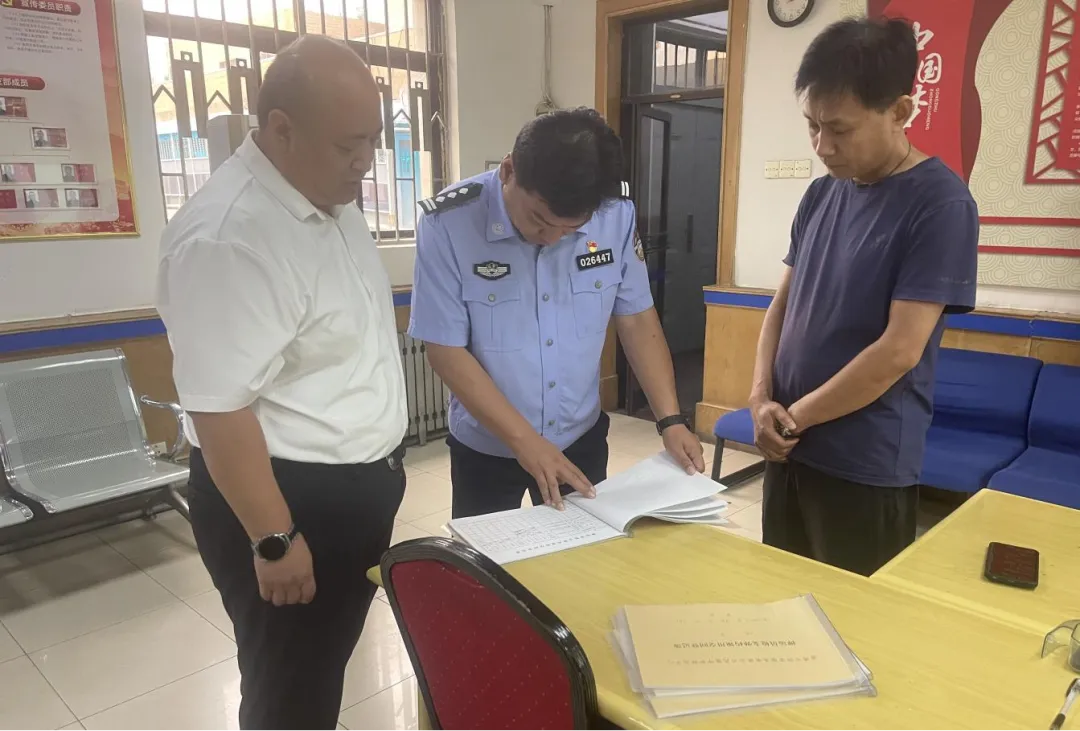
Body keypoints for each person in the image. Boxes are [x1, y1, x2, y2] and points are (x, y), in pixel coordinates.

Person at [156, 36, 406, 730]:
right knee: (289, 689)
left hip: (348, 492)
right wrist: (274, 538)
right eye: (348, 144)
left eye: (373, 140)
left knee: (316, 669)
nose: (365, 161)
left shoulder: (327, 197)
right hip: (287, 502)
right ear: (281, 129)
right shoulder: (230, 236)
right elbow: (219, 409)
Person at [749, 18, 978, 576]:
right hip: (790, 444)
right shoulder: (821, 193)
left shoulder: (941, 204)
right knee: (783, 594)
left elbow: (899, 350)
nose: (822, 146)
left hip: (863, 462)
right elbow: (782, 305)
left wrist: (792, 419)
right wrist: (759, 399)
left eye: (839, 129)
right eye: (812, 125)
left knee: (851, 614)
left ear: (900, 111)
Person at [409, 108, 704, 519]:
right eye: (538, 220)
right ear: (508, 171)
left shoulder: (615, 214)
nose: (550, 239)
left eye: (569, 231)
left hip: (578, 440)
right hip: (487, 448)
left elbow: (636, 318)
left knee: (582, 556)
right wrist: (525, 442)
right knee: (487, 558)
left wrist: (670, 420)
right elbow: (445, 349)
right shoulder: (448, 223)